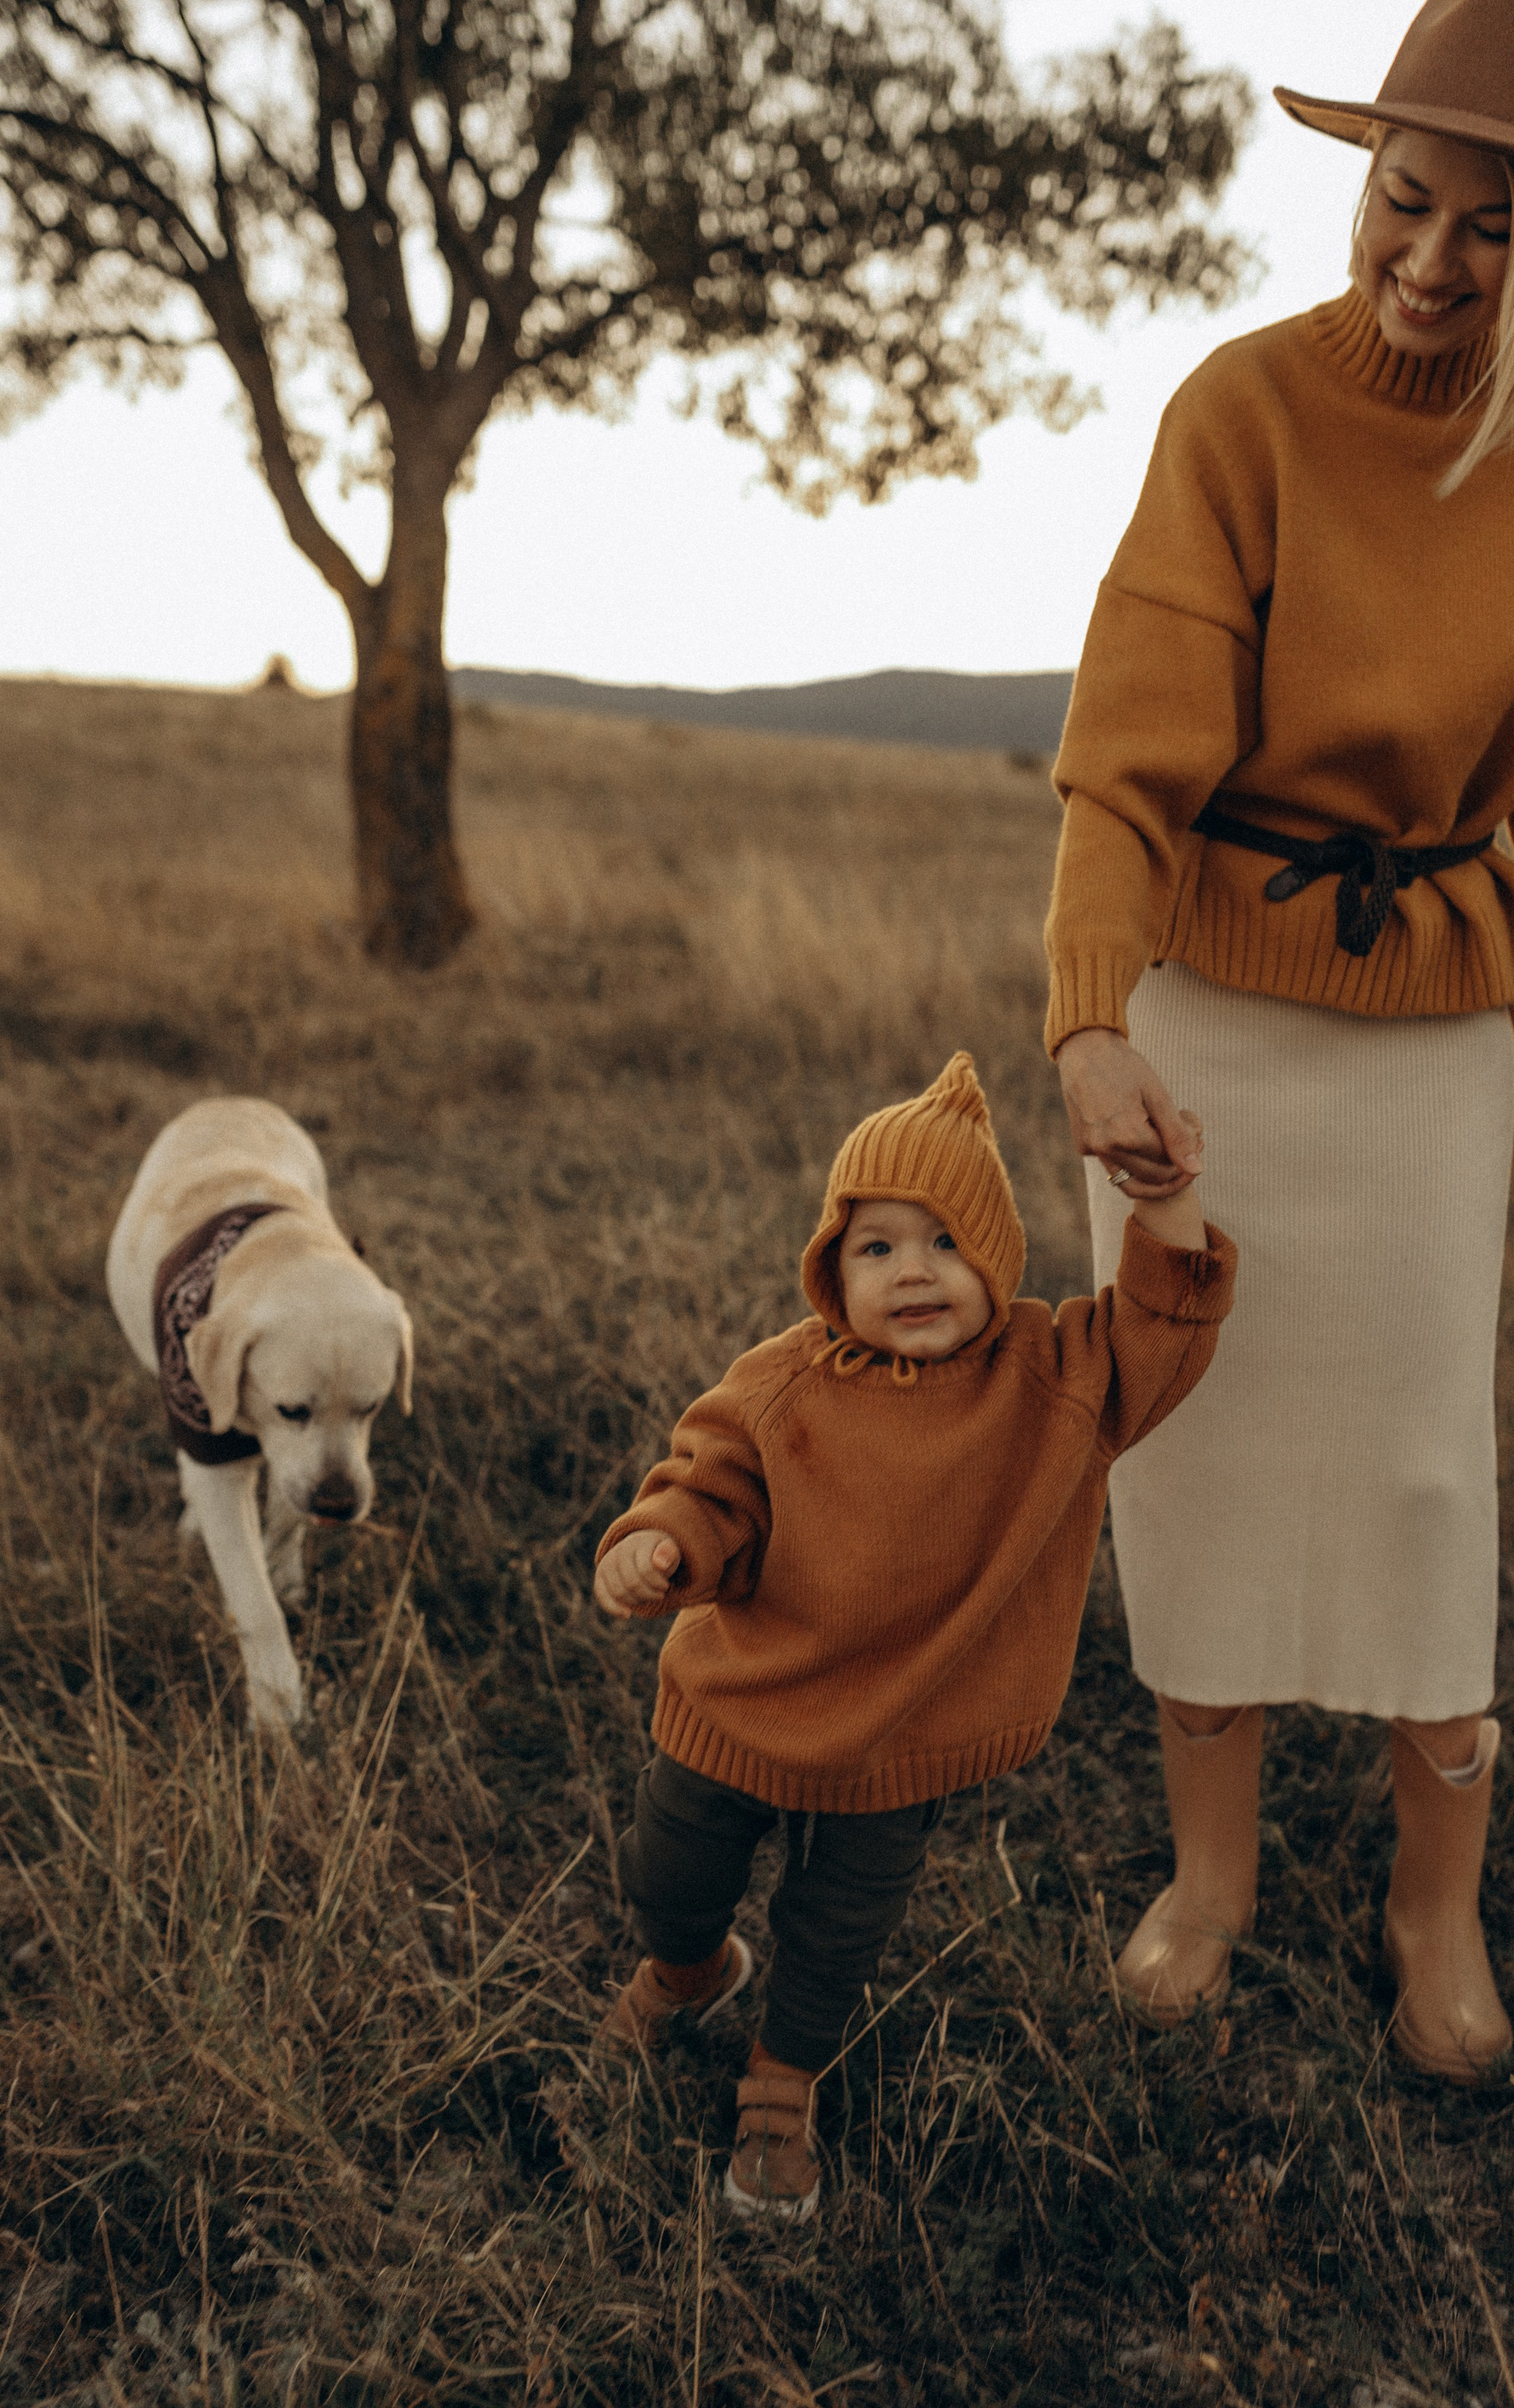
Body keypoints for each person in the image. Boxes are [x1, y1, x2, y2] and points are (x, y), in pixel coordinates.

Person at [1044, 0, 1514, 2080]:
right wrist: (1084, 1023)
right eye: (1406, 200)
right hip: (1206, 1025)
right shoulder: (1238, 410)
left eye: (1495, 230)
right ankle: (1214, 1883)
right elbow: (1124, 768)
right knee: (1201, 1458)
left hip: (1435, 1028)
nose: (1430, 260)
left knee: (1424, 1475)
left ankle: (1436, 1915)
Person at [592, 1054, 1235, 2223]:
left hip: (903, 1733)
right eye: (877, 1247)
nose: (914, 1272)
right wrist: (666, 1545)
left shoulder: (1051, 1379)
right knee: (669, 1872)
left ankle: (784, 2081)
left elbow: (1166, 1325)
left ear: (997, 1258)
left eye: (945, 1242)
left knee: (838, 1928)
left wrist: (1162, 1199)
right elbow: (709, 1482)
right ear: (831, 1272)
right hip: (745, 1701)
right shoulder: (787, 1384)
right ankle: (690, 1968)